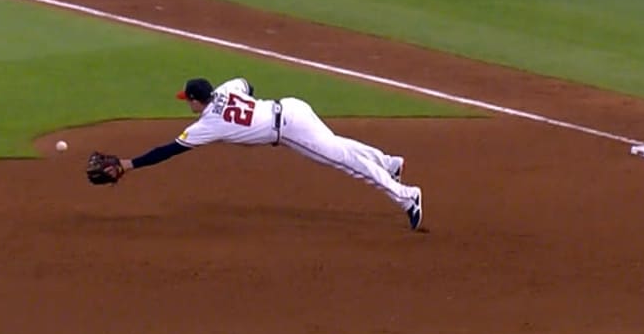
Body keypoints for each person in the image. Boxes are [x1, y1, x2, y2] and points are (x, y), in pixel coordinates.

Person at [87, 77, 424, 231]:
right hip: (291, 106)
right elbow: (247, 85)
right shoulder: (225, 90)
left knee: (345, 161)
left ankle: (407, 196)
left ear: (195, 101)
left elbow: (169, 150)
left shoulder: (209, 125)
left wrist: (129, 165)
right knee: (336, 146)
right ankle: (389, 162)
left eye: (187, 99)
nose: (186, 104)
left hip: (290, 128)